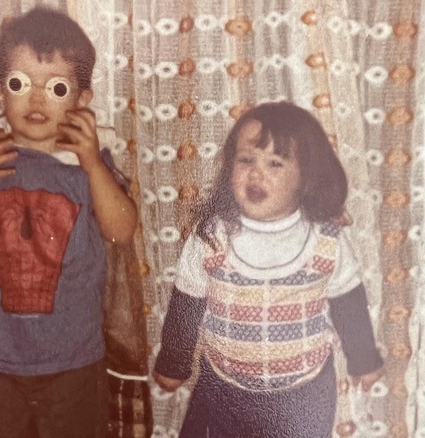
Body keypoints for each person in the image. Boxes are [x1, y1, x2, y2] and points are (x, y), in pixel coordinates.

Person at [0, 7, 137, 437]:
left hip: (74, 363)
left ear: (81, 100)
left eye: (56, 87)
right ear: (0, 93)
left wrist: (93, 165)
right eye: (20, 84)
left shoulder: (90, 165)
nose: (37, 100)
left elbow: (122, 231)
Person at [152, 101, 384, 437]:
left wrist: (363, 359)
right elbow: (186, 302)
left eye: (275, 163)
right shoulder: (211, 237)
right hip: (222, 388)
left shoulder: (325, 240)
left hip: (303, 395)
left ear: (306, 178)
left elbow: (348, 300)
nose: (256, 173)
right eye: (246, 160)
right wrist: (174, 362)